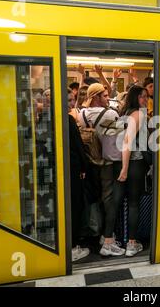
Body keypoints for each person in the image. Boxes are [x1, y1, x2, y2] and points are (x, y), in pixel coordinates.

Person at [78, 83, 126, 256]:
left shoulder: (81, 114)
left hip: (90, 164)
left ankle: (96, 233)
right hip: (107, 164)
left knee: (95, 199)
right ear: (96, 97)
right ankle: (107, 239)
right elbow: (116, 142)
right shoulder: (111, 114)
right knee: (109, 200)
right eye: (105, 96)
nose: (108, 98)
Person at [115, 85, 148, 257]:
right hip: (134, 163)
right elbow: (128, 141)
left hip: (122, 162)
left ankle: (113, 239)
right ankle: (132, 243)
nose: (145, 100)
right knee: (134, 203)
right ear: (135, 97)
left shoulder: (125, 112)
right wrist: (125, 169)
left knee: (121, 202)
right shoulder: (139, 114)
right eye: (142, 96)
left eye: (147, 96)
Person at [68, 93, 90, 262]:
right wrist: (84, 167)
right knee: (75, 207)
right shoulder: (68, 121)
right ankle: (73, 246)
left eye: (71, 99)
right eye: (67, 100)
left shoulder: (46, 119)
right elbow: (78, 146)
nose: (71, 103)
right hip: (73, 170)